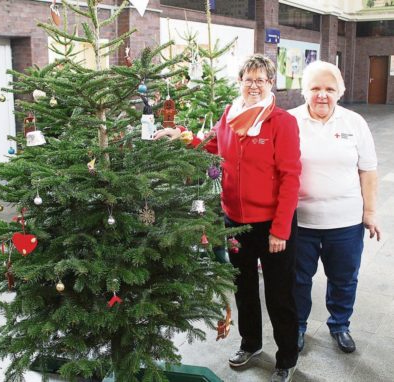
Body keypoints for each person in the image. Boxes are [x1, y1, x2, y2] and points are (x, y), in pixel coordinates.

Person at [155, 54, 301, 382]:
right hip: (234, 220)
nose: (253, 85)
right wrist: (180, 135)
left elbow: (291, 177)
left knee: (279, 294)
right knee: (244, 287)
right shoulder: (230, 115)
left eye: (260, 80)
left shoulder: (282, 122)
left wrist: (280, 229)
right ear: (239, 82)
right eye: (247, 79)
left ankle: (287, 356)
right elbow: (213, 147)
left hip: (272, 224)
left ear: (270, 83)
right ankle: (250, 344)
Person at [288, 60, 381, 354]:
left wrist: (369, 213)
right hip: (300, 221)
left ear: (339, 92)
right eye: (315, 88)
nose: (322, 95)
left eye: (329, 88)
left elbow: (368, 170)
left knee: (344, 279)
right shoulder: (289, 121)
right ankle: (298, 326)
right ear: (305, 91)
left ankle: (340, 325)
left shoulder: (354, 123)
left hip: (346, 222)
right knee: (298, 280)